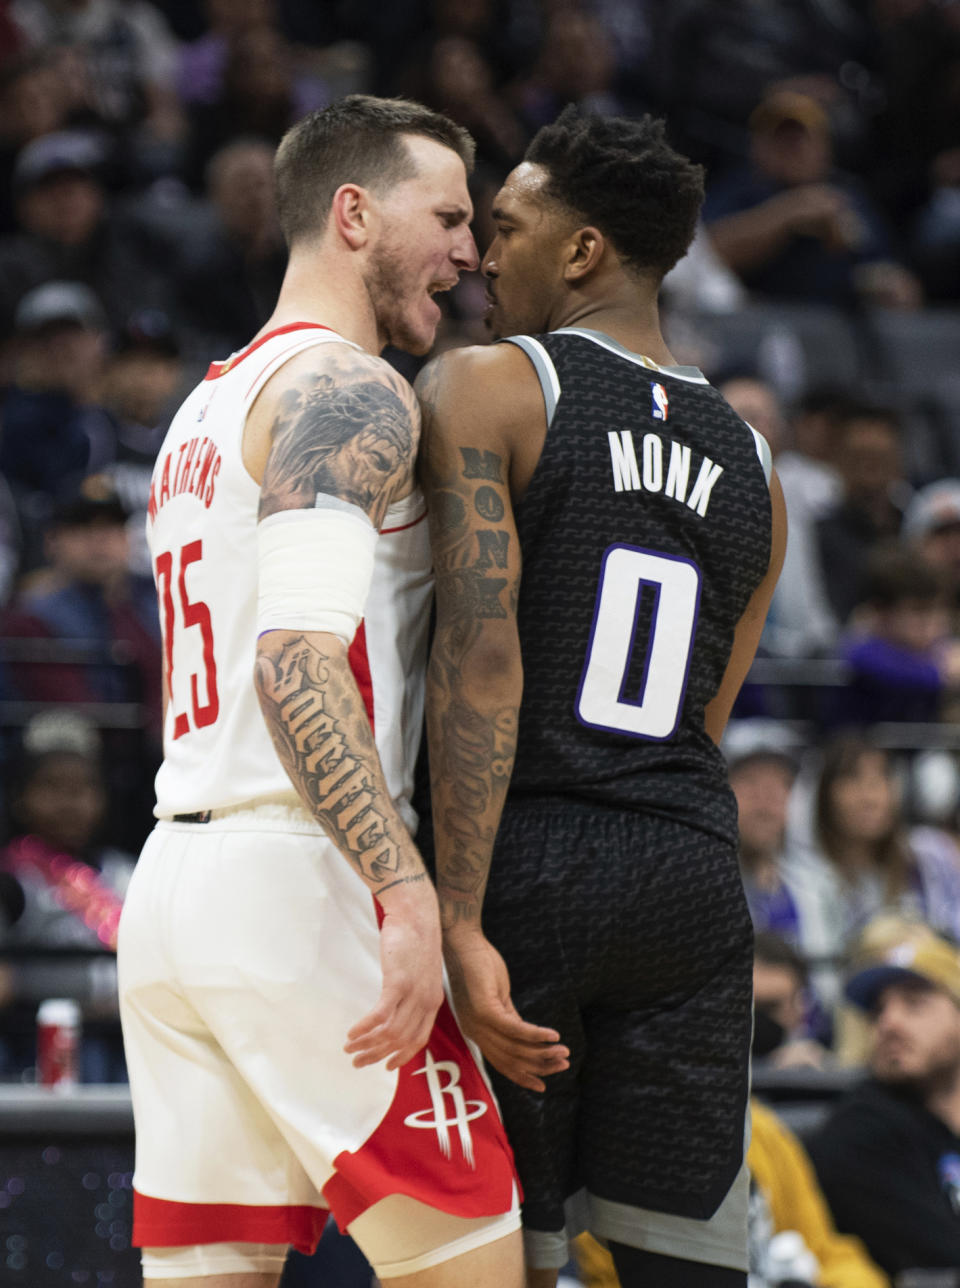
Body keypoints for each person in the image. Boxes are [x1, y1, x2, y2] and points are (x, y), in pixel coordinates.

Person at [116, 95, 524, 1288]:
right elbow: (296, 662)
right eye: (447, 216)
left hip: (178, 885)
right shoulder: (348, 391)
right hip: (305, 886)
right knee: (475, 1264)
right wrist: (405, 893)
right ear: (353, 214)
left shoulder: (204, 406)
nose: (470, 252)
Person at [416, 107, 787, 1287]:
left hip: (532, 857)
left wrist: (461, 917)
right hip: (688, 869)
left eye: (509, 227)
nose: (482, 253)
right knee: (683, 1265)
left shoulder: (492, 385)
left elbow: (480, 663)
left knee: (502, 1259)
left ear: (581, 253)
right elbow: (706, 714)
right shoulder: (758, 462)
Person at [807, 916, 960, 1277]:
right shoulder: (861, 1134)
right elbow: (945, 1261)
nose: (888, 1023)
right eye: (878, 1011)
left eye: (914, 1003)